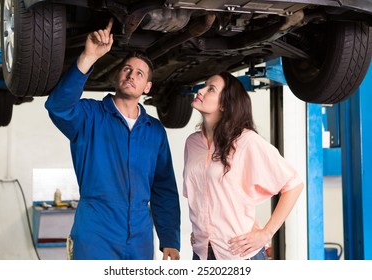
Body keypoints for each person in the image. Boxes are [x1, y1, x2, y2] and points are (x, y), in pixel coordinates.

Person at [45, 19, 180, 260]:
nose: (131, 75)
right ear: (117, 75)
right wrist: (88, 56)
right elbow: (58, 107)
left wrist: (169, 238)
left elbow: (163, 187)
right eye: (127, 69)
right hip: (96, 231)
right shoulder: (90, 116)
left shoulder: (154, 130)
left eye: (139, 73)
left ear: (147, 87)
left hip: (140, 235)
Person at [183, 71, 304, 260]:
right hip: (202, 254)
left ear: (224, 104)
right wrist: (203, 233)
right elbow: (201, 197)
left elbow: (294, 184)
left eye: (211, 89)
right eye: (204, 85)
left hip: (238, 255)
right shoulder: (192, 143)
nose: (201, 90)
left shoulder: (246, 141)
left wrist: (266, 232)